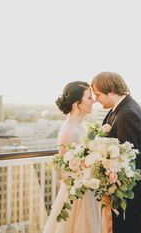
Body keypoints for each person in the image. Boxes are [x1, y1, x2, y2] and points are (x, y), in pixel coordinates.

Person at [91, 72, 141, 233]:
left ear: (110, 90)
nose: (96, 99)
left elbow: (128, 159)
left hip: (129, 192)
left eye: (97, 94)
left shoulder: (129, 114)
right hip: (119, 189)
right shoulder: (116, 110)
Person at [43, 81, 102, 233]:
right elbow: (64, 173)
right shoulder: (69, 131)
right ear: (77, 104)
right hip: (78, 195)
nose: (94, 101)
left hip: (89, 188)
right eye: (89, 98)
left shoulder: (81, 126)